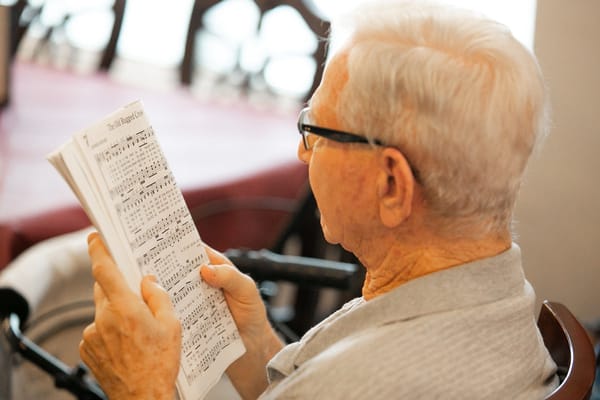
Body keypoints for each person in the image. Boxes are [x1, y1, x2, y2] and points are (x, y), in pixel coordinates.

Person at [79, 1, 558, 399]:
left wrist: (142, 388)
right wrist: (262, 348)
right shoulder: (504, 300)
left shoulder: (356, 383)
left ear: (391, 184)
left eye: (316, 130)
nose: (302, 151)